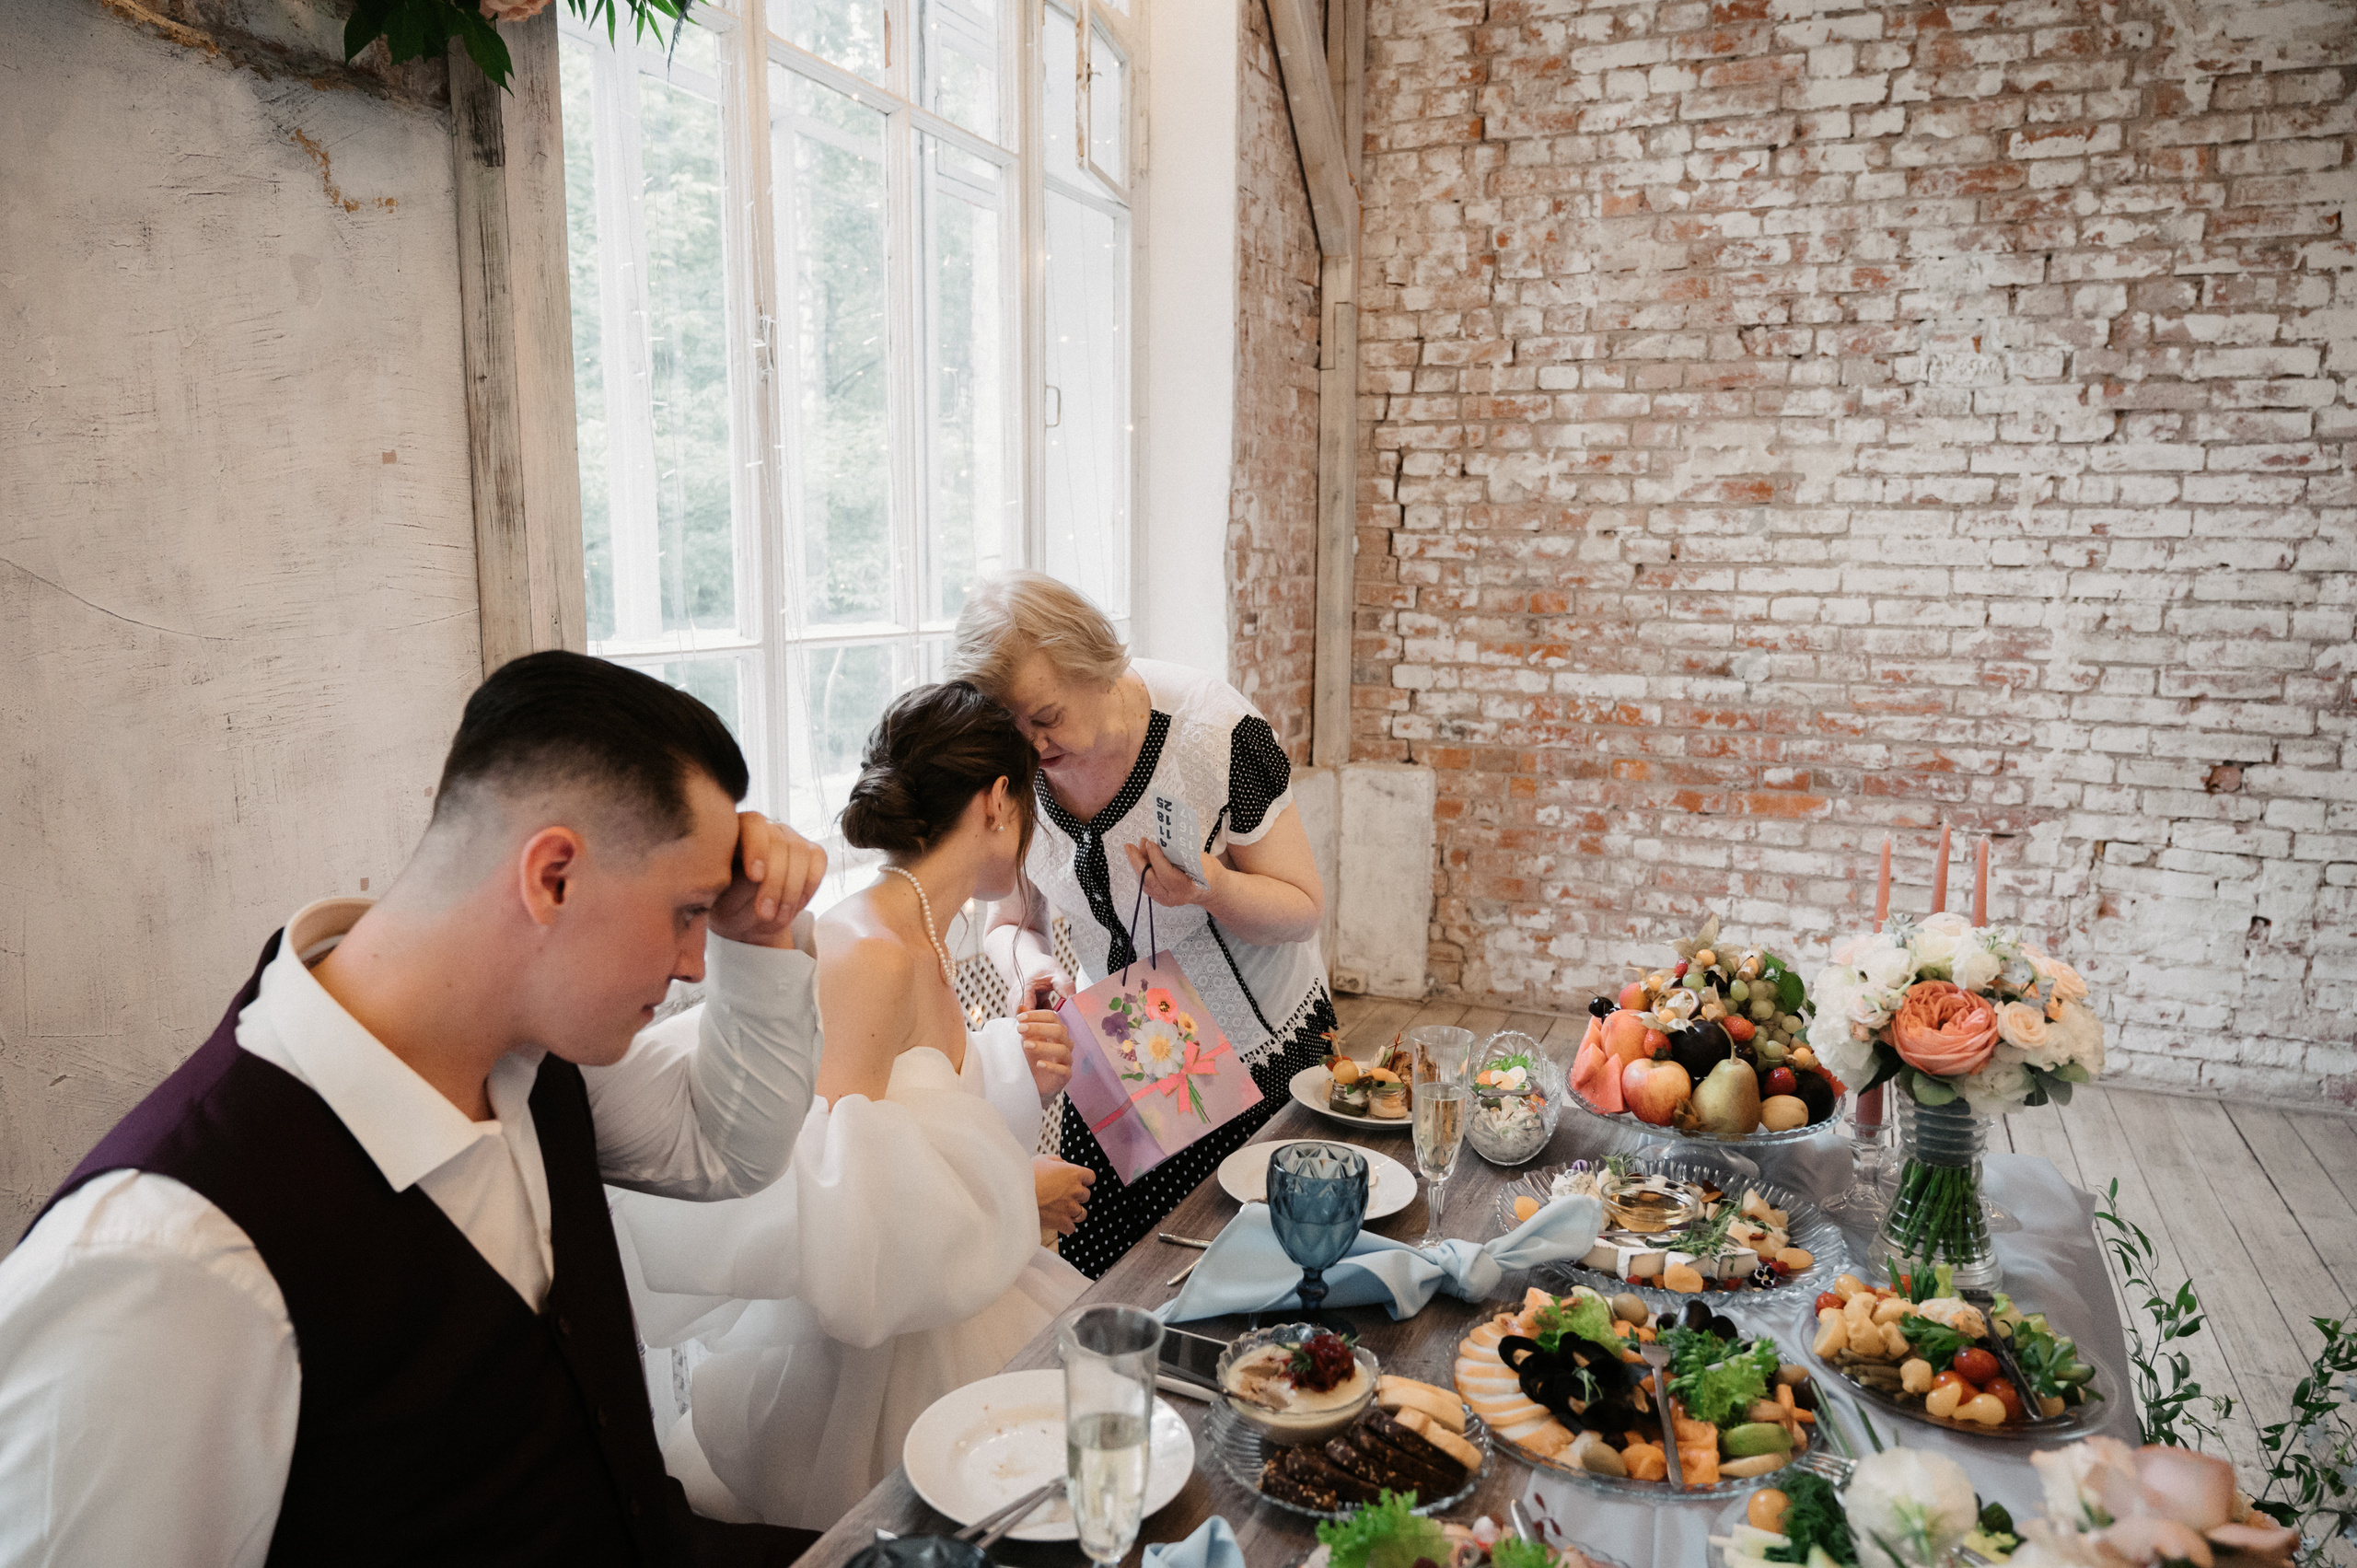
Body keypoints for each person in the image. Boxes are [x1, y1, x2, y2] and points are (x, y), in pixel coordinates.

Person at [0, 651, 830, 1568]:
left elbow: (724, 1148)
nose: (692, 960)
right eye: (685, 912)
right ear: (553, 875)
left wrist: (759, 938)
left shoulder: (539, 1049)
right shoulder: (167, 1254)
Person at [610, 683, 1095, 1532]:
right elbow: (838, 1202)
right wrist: (1016, 1194)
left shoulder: (924, 933)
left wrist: (1014, 1065)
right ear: (997, 801)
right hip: (877, 1367)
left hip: (951, 1305)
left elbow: (917, 1110)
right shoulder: (868, 951)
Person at [946, 571, 1332, 1277]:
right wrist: (1032, 965)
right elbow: (1009, 921)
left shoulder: (1216, 734)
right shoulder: (1014, 767)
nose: (1030, 749)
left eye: (1045, 716)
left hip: (1258, 1047)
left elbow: (1303, 906)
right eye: (1010, 730)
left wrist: (1210, 886)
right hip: (1132, 1043)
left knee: (1258, 1273)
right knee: (1114, 1279)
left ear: (1098, 665)